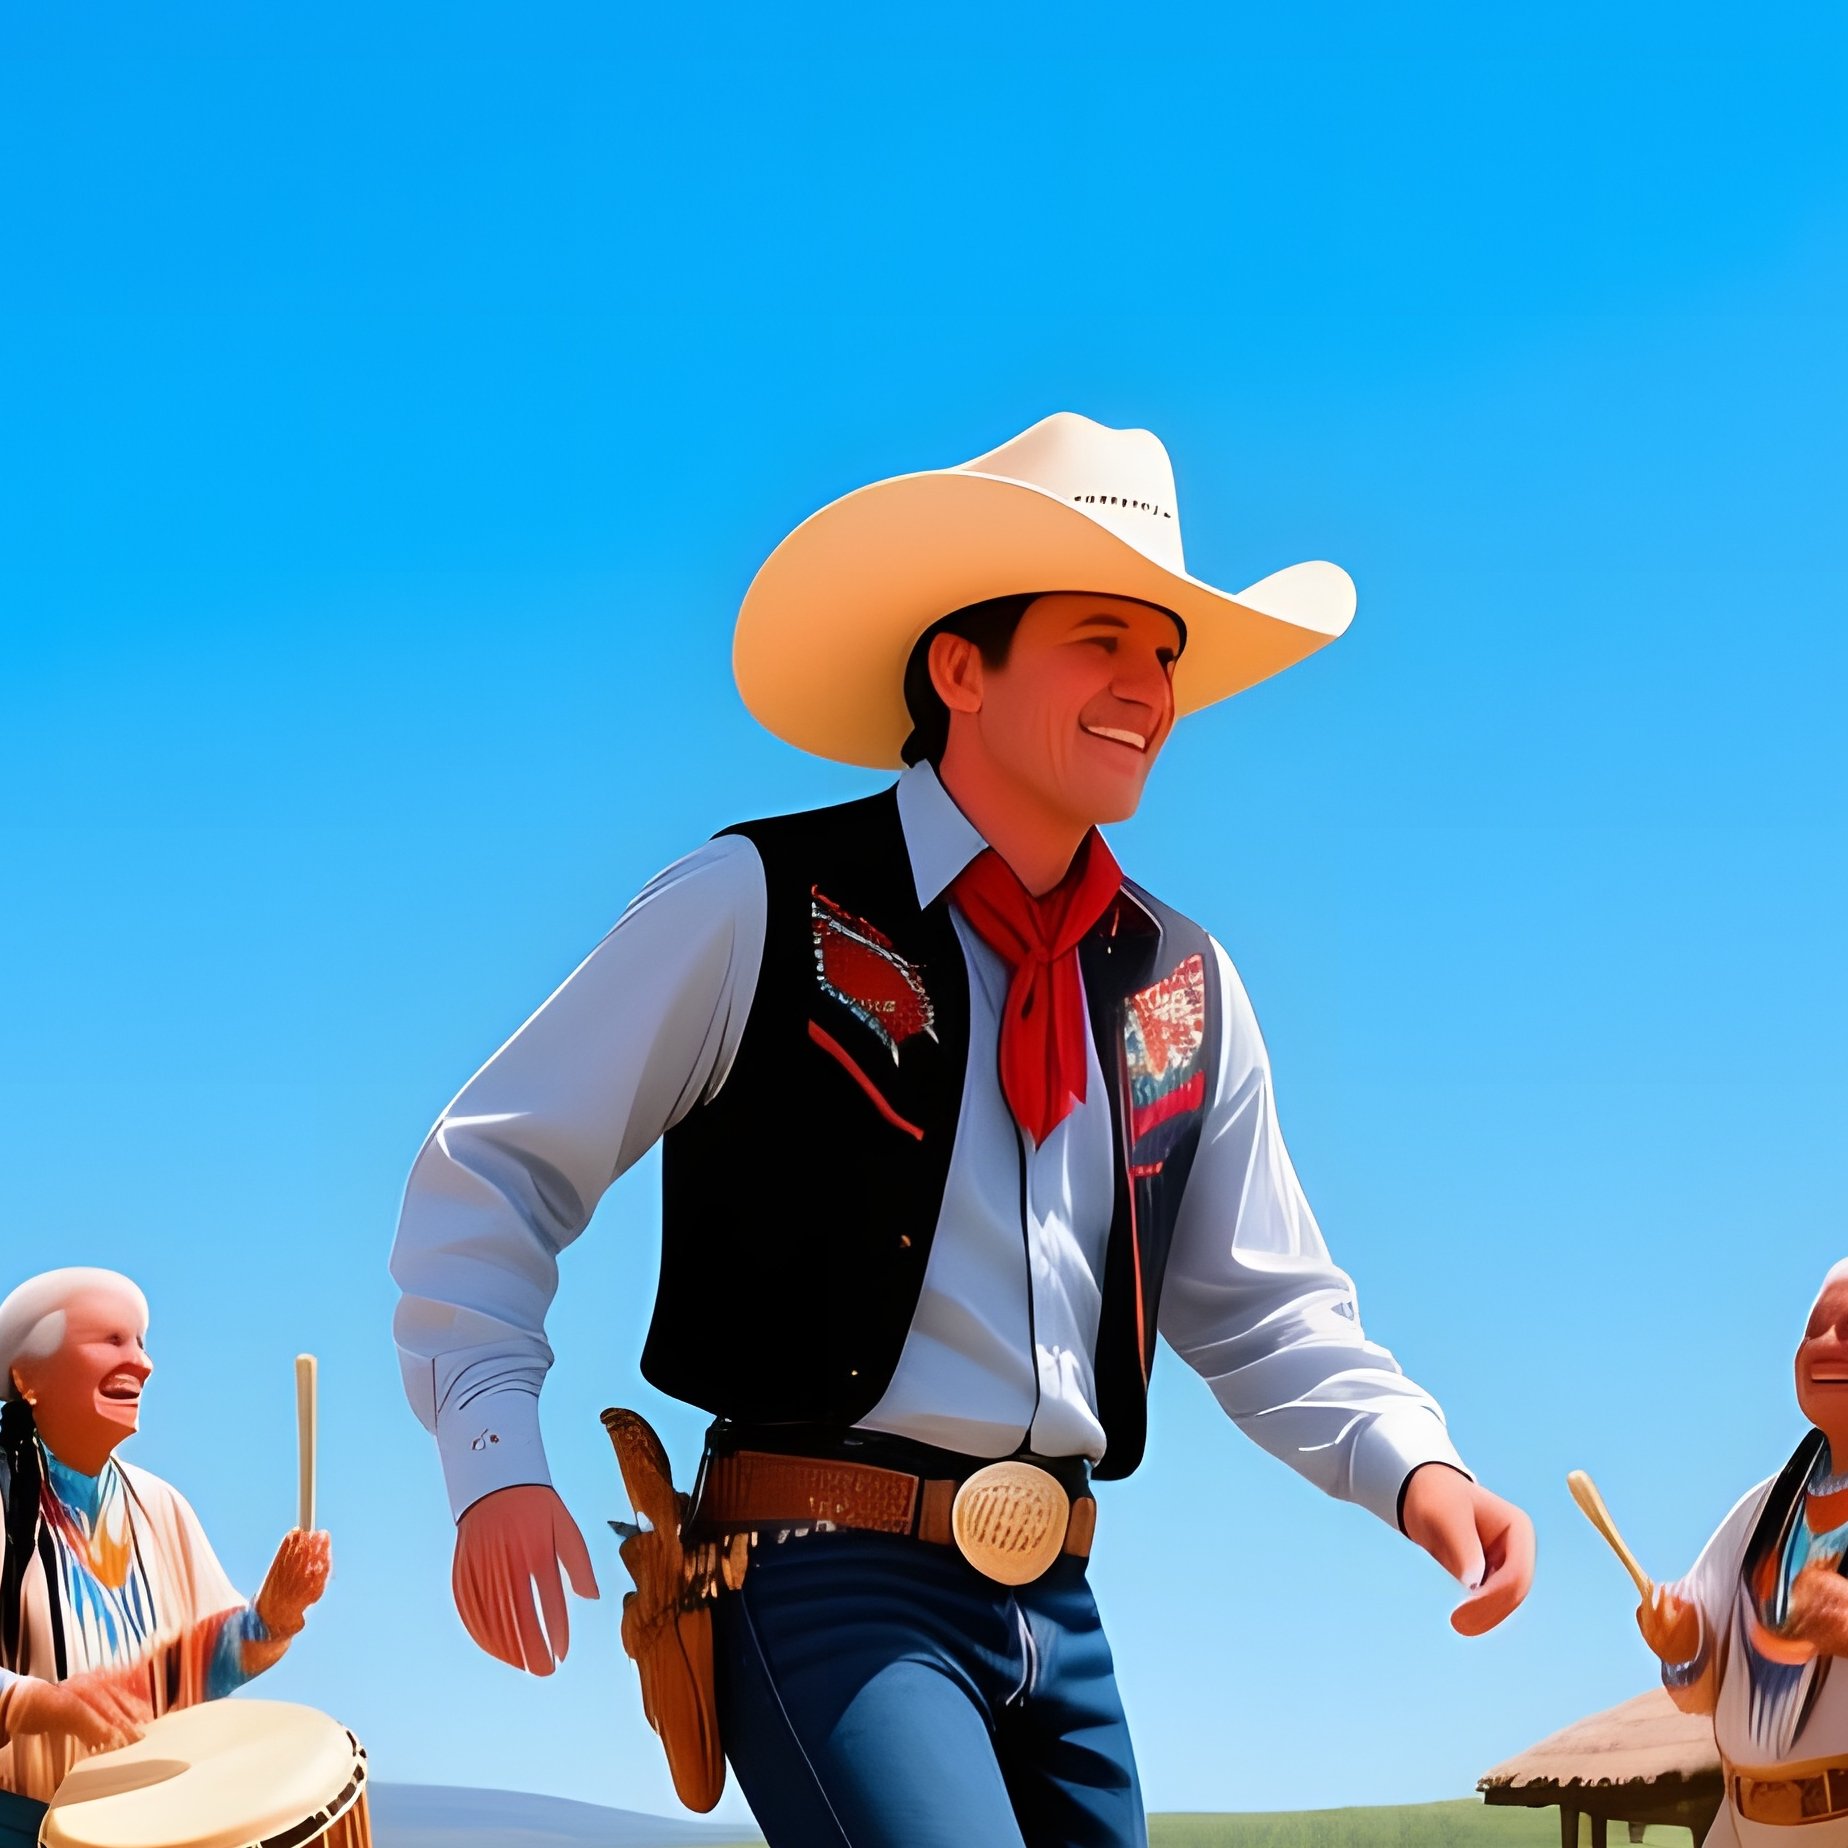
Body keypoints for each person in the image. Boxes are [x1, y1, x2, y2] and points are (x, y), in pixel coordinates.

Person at [390, 412, 1536, 1846]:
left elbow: (1262, 1306)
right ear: (960, 668)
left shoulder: (1184, 984)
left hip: (1058, 1600)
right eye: (1102, 640)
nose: (1149, 687)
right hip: (813, 1573)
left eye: (1166, 653)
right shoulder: (756, 901)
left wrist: (1419, 1467)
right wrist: (495, 1461)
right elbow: (494, 1162)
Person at [0, 1267, 331, 1844]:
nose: (143, 1364)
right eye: (110, 1341)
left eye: (141, 1343)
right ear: (28, 1378)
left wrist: (271, 1620)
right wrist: (38, 1704)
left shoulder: (159, 1504)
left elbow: (194, 1669)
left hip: (154, 1817)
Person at [1639, 1261, 1848, 1847]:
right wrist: (1684, 1647)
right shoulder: (1762, 1510)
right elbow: (1701, 1686)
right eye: (1814, 1331)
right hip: (1741, 1820)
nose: (1826, 1347)